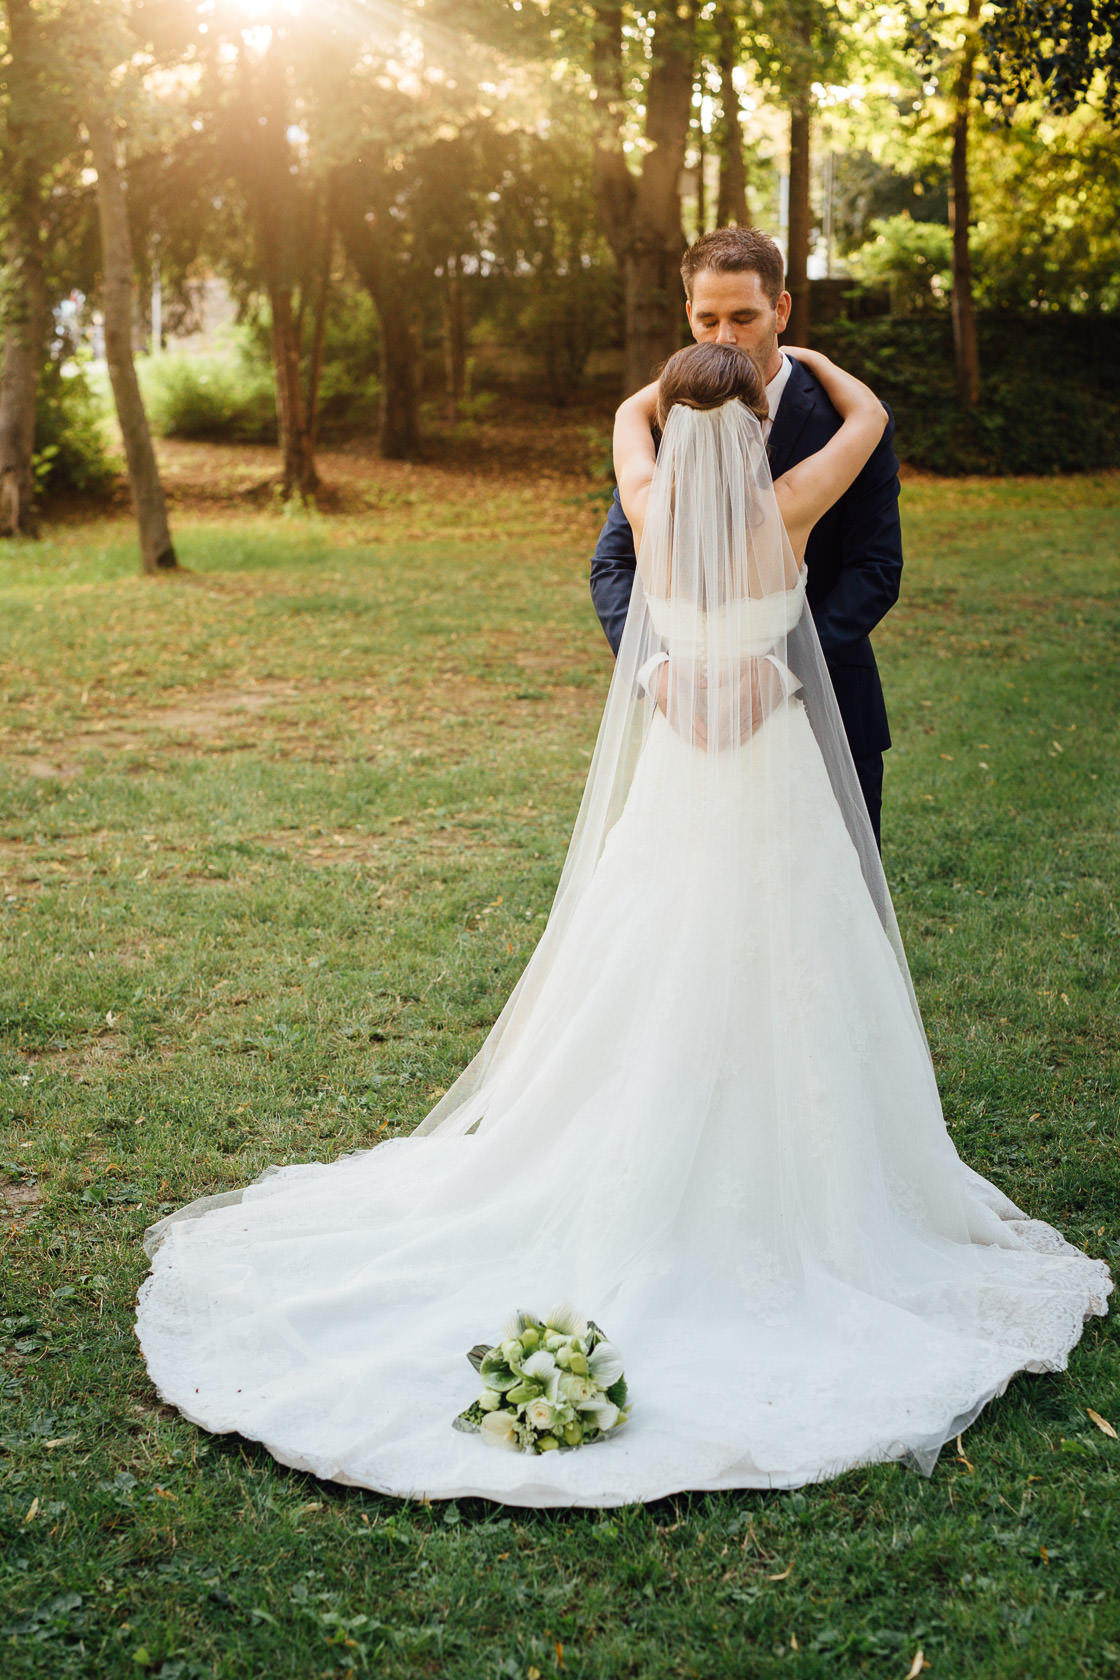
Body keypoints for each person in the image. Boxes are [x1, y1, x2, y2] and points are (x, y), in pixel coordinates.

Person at [135, 342, 1109, 1509]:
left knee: (651, 944)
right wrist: (807, 360)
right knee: (792, 950)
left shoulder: (645, 497)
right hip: (769, 760)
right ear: (757, 427)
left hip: (679, 765)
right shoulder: (791, 503)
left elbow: (626, 412)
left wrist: (669, 389)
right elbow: (868, 417)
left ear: (676, 429)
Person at [592, 225, 901, 846]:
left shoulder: (651, 438)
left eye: (743, 318)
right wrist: (655, 672)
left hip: (828, 710)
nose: (724, 338)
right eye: (707, 321)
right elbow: (612, 568)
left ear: (780, 310)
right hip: (686, 715)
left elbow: (875, 570)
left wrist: (784, 672)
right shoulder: (794, 481)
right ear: (688, 313)